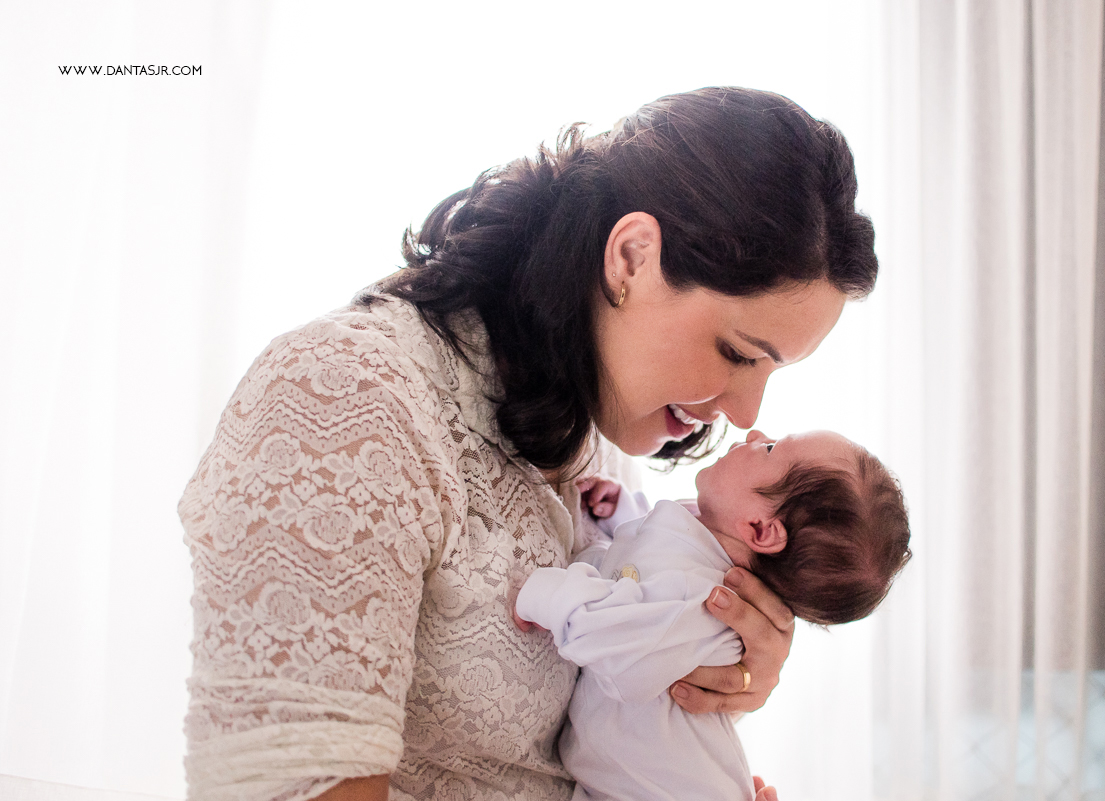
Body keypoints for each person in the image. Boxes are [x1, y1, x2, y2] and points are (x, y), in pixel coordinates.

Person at [179, 87, 880, 801]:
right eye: (738, 353)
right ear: (631, 257)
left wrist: (722, 662)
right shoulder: (347, 397)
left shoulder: (596, 437)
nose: (745, 411)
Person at [513, 430, 912, 800]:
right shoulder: (705, 549)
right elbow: (649, 560)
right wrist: (619, 513)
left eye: (770, 448)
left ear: (760, 529)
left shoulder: (704, 601)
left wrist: (548, 594)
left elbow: (614, 640)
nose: (754, 434)